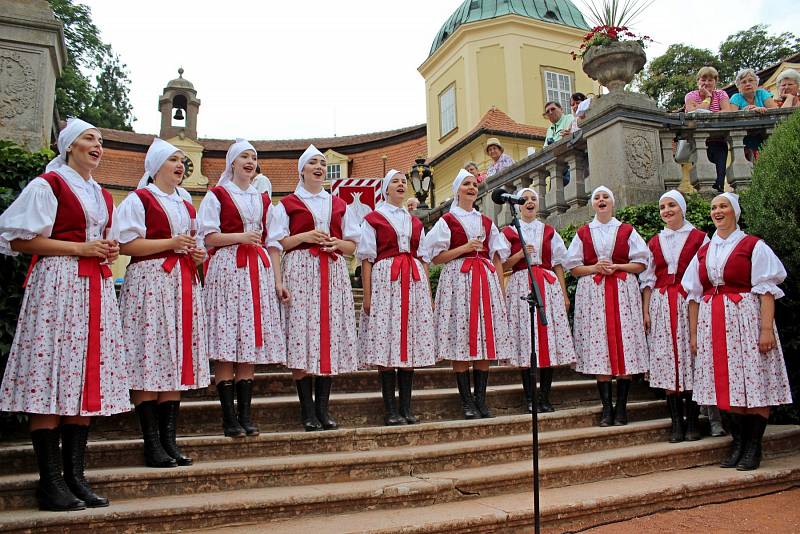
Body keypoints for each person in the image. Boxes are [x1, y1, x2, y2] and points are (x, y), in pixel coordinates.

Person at [0, 118, 130, 511]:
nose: (98, 144)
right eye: (90, 138)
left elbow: (97, 241)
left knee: (83, 375)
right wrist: (79, 250)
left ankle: (75, 477)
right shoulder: (48, 184)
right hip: (57, 283)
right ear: (69, 146)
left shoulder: (102, 195)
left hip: (94, 285)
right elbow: (18, 239)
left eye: (101, 140)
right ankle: (50, 482)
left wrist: (105, 249)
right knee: (52, 372)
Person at [114, 138, 210, 468]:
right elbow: (125, 244)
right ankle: (152, 442)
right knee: (148, 354)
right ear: (156, 166)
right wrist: (171, 243)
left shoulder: (186, 204)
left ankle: (169, 440)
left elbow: (194, 244)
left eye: (183, 161)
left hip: (181, 281)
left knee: (173, 358)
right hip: (150, 282)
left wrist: (196, 254)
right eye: (174, 160)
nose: (180, 166)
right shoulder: (140, 200)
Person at [682, 193, 792, 471]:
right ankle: (738, 443)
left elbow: (766, 291)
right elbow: (694, 295)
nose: (717, 211)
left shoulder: (752, 245)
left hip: (746, 320)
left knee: (753, 382)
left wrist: (766, 329)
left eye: (723, 206)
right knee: (726, 385)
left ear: (735, 212)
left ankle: (753, 446)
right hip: (713, 322)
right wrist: (694, 335)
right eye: (714, 207)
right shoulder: (705, 251)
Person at [199, 139, 288, 437]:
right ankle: (229, 418)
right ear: (233, 163)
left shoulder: (263, 200)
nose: (250, 161)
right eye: (244, 157)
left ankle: (245, 415)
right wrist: (240, 236)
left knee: (248, 344)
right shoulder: (218, 195)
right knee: (227, 344)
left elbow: (273, 241)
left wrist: (277, 280)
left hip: (256, 271)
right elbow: (209, 237)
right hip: (228, 270)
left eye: (253, 157)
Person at [270, 145, 360, 431]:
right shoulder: (287, 204)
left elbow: (353, 245)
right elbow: (278, 242)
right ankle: (307, 410)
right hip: (300, 269)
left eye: (322, 163)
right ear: (302, 171)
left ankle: (323, 409)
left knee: (327, 336)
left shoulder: (339, 204)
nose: (320, 167)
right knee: (302, 335)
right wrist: (306, 235)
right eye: (313, 163)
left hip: (331, 270)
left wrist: (337, 244)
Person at [420, 169, 511, 419]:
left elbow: (497, 254)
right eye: (466, 184)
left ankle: (481, 400)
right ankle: (466, 401)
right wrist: (465, 248)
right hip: (458, 280)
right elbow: (434, 257)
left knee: (483, 339)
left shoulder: (486, 221)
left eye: (474, 184)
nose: (471, 188)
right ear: (457, 190)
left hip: (484, 280)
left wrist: (501, 289)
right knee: (461, 338)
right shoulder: (447, 221)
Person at [564, 186, 649, 427]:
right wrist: (595, 268)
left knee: (625, 346)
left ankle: (621, 408)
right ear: (593, 204)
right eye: (597, 197)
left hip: (622, 292)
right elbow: (573, 267)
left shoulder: (626, 230)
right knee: (600, 346)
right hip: (594, 295)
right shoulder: (583, 233)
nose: (601, 200)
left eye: (605, 197)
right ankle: (606, 409)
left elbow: (641, 262)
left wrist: (618, 267)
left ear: (612, 203)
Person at [357, 169, 436, 425]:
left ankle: (406, 407)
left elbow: (423, 258)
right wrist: (367, 296)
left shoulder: (414, 222)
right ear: (386, 189)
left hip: (413, 281)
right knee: (386, 339)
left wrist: (427, 293)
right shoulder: (374, 218)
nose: (401, 185)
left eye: (404, 182)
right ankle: (390, 409)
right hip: (385, 280)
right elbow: (367, 260)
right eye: (396, 182)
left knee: (409, 339)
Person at [640, 191, 709, 443]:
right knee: (667, 359)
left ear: (682, 208)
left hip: (688, 301)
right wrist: (646, 310)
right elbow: (648, 278)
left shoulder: (700, 238)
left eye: (671, 205)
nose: (666, 210)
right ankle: (676, 423)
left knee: (690, 357)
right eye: (662, 207)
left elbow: (705, 273)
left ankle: (692, 422)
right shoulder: (655, 241)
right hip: (661, 303)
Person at [500, 188, 576, 413]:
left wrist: (563, 294)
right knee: (527, 340)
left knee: (547, 341)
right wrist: (520, 255)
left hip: (547, 284)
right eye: (525, 199)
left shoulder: (549, 231)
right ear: (518, 205)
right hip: (522, 283)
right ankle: (530, 397)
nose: (530, 202)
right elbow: (503, 265)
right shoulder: (510, 232)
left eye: (534, 199)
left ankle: (545, 395)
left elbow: (558, 263)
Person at [683, 67, 733, 192]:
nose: (706, 83)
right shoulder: (691, 95)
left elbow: (727, 111)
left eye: (710, 80)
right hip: (698, 142)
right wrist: (708, 98)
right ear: (698, 81)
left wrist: (705, 109)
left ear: (715, 82)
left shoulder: (721, 94)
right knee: (702, 179)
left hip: (718, 140)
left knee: (719, 177)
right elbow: (692, 112)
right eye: (703, 79)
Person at [730, 68, 778, 161]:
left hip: (764, 134)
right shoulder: (736, 97)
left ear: (756, 83)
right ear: (739, 87)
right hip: (745, 137)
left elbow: (775, 110)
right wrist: (744, 110)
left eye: (751, 80)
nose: (748, 84)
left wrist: (762, 110)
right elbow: (731, 115)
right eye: (743, 82)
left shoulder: (762, 93)